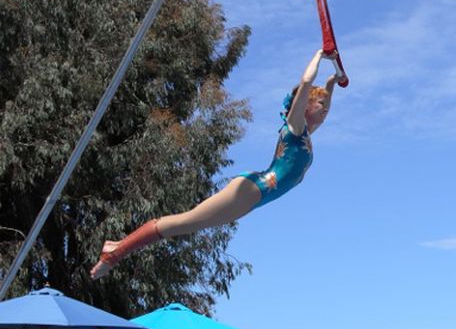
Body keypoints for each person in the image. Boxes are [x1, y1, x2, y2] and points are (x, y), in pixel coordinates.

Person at [91, 49, 340, 278]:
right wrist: (319, 55)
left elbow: (323, 99)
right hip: (253, 191)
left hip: (256, 195)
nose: (325, 111)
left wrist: (333, 79)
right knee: (186, 222)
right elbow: (306, 83)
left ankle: (117, 248)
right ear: (305, 106)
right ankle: (115, 252)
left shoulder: (306, 133)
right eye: (320, 106)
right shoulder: (295, 126)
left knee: (188, 223)